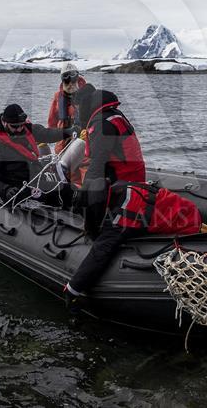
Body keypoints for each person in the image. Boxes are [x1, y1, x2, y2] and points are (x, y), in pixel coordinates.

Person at [64, 85, 148, 308]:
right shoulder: (114, 117)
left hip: (126, 193)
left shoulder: (101, 124)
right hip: (132, 185)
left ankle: (74, 289)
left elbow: (97, 167)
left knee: (105, 240)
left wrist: (84, 203)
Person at [0, 103, 74, 208]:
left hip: (36, 182)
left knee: (69, 190)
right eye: (14, 127)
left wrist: (68, 132)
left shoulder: (27, 129)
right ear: (4, 122)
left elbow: (47, 134)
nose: (19, 129)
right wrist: (6, 189)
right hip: (16, 188)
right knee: (41, 199)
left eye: (21, 125)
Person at [47, 62, 89, 184]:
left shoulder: (89, 95)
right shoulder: (57, 97)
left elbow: (97, 120)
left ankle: (82, 196)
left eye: (73, 79)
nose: (70, 84)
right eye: (67, 81)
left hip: (83, 141)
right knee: (64, 175)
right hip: (63, 143)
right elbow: (51, 123)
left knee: (82, 172)